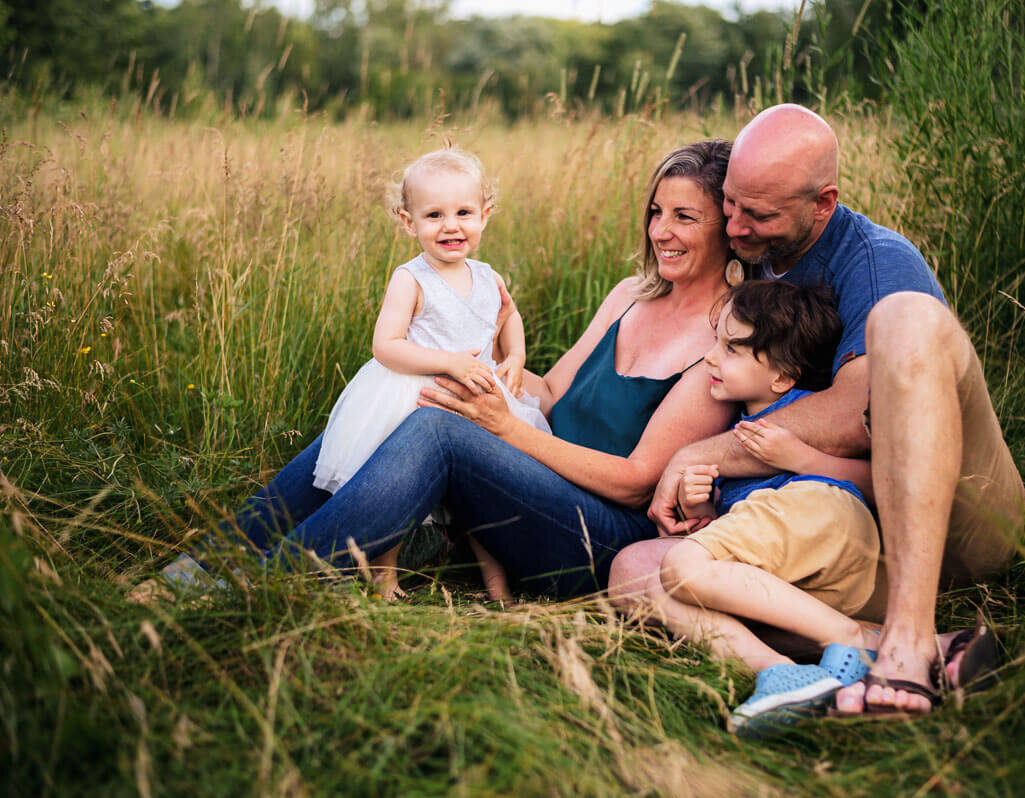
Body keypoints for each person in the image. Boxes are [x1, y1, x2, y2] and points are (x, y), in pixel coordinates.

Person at [140, 140, 739, 602]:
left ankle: (258, 590)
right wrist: (467, 364)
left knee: (440, 428)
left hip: (602, 538)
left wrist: (504, 427)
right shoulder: (631, 293)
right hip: (530, 476)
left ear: (729, 224)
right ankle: (201, 567)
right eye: (656, 212)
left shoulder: (731, 333)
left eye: (685, 217)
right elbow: (551, 392)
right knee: (409, 397)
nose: (661, 230)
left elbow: (638, 482)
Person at [609, 104, 1025, 719]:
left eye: (761, 214)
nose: (738, 227)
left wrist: (705, 453)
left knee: (904, 317)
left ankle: (908, 647)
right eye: (729, 204)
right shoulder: (755, 252)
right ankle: (841, 661)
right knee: (639, 573)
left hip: (957, 517)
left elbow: (857, 416)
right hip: (839, 538)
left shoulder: (877, 262)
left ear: (823, 203)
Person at [311, 147, 549, 600]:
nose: (451, 226)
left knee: (483, 493)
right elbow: (386, 346)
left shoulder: (487, 275)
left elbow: (509, 316)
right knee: (401, 493)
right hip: (418, 392)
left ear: (485, 215)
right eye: (434, 215)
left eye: (463, 212)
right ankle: (385, 573)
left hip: (479, 392)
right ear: (408, 222)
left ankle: (497, 584)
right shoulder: (411, 278)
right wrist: (448, 361)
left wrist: (515, 356)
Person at [654, 279, 884, 735]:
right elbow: (752, 546)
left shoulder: (802, 414)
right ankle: (797, 670)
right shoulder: (732, 436)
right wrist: (703, 506)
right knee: (671, 574)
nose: (712, 358)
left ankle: (849, 641)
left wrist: (802, 459)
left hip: (825, 513)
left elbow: (882, 482)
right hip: (813, 569)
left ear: (781, 377)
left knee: (680, 566)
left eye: (733, 349)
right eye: (715, 342)